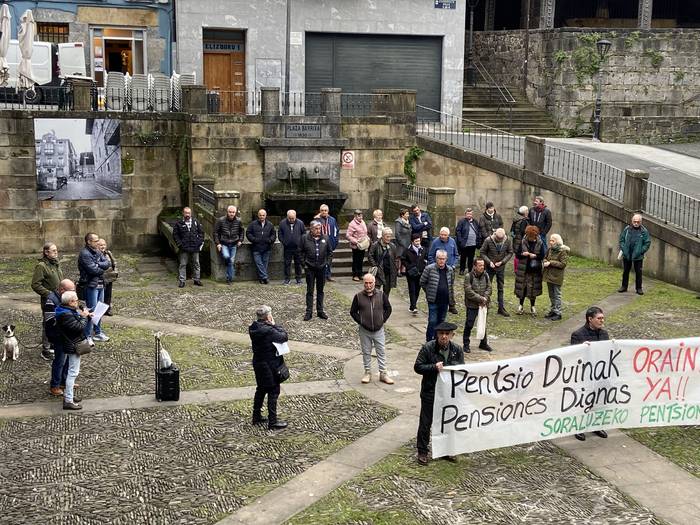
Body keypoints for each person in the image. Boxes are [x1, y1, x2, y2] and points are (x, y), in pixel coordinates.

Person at [414, 321, 465, 465]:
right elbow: (418, 367)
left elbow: (461, 369)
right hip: (430, 391)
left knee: (447, 422)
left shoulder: (457, 350)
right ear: (437, 334)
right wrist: (433, 367)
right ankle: (422, 451)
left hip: (448, 393)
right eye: (441, 334)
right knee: (426, 422)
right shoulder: (428, 348)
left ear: (452, 335)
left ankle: (445, 450)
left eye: (446, 334)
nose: (444, 336)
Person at [570, 306, 610, 441]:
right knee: (583, 402)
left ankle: (596, 425)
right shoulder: (578, 335)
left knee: (598, 401)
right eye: (599, 318)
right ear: (590, 319)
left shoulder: (604, 334)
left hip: (600, 375)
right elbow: (574, 357)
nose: (602, 321)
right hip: (585, 376)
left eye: (602, 318)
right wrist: (583, 349)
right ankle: (579, 427)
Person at [249, 305, 289, 430]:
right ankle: (273, 421)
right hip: (270, 365)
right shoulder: (269, 330)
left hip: (258, 363)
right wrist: (274, 324)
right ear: (268, 316)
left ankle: (256, 416)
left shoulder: (253, 328)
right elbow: (283, 336)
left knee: (260, 389)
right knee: (273, 391)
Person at [350, 273, 394, 385]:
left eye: (370, 283)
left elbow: (388, 308)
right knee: (366, 352)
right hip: (364, 330)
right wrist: (361, 321)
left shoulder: (381, 294)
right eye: (366, 283)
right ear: (363, 283)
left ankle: (383, 373)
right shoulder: (358, 296)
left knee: (381, 351)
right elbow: (353, 312)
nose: (368, 285)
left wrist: (382, 320)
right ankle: (367, 372)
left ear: (374, 283)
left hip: (379, 330)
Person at [55, 290, 92, 410]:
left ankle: (68, 395)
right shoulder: (66, 315)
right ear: (71, 302)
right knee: (73, 373)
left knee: (71, 372)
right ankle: (68, 400)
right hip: (73, 345)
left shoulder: (66, 311)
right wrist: (84, 317)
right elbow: (78, 327)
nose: (77, 302)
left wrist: (82, 316)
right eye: (76, 300)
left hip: (72, 343)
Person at [31, 242, 63, 360]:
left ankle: (53, 344)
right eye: (53, 251)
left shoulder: (56, 264)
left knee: (58, 321)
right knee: (48, 323)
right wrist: (49, 294)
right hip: (48, 300)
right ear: (46, 252)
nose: (56, 252)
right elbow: (35, 284)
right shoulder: (41, 266)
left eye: (56, 250)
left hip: (59, 298)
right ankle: (46, 348)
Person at [44, 279, 75, 397]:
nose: (73, 294)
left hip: (67, 335)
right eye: (70, 291)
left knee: (67, 360)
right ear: (62, 289)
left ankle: (64, 381)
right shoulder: (51, 300)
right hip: (58, 335)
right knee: (59, 361)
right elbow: (49, 320)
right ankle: (55, 385)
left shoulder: (64, 298)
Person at [78, 232, 111, 341]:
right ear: (89, 242)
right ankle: (87, 335)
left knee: (99, 310)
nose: (98, 242)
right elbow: (93, 270)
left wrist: (98, 264)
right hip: (91, 285)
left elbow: (107, 263)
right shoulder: (85, 254)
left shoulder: (97, 251)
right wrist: (100, 267)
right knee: (91, 310)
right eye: (96, 241)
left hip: (101, 283)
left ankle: (98, 332)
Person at [420, 250, 456, 342]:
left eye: (443, 259)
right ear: (436, 259)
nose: (441, 261)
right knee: (432, 321)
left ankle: (438, 341)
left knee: (441, 322)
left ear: (446, 259)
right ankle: (429, 341)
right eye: (439, 259)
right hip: (433, 300)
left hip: (445, 301)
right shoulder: (429, 269)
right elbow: (422, 282)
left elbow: (451, 285)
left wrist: (451, 301)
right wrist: (429, 292)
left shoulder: (450, 270)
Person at [300, 221, 331, 321]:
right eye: (316, 229)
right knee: (310, 290)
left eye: (320, 228)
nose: (318, 231)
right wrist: (304, 264)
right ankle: (309, 312)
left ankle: (320, 311)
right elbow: (300, 252)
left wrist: (327, 263)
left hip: (322, 268)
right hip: (310, 268)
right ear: (311, 229)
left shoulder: (325, 238)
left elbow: (329, 252)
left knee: (320, 290)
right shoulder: (305, 238)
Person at [480, 228, 513, 317]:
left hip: (501, 267)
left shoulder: (508, 240)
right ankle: (486, 305)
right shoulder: (488, 240)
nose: (499, 240)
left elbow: (510, 252)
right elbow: (482, 252)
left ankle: (501, 308)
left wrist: (502, 262)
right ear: (495, 235)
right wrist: (489, 262)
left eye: (501, 239)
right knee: (487, 287)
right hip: (490, 267)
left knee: (501, 288)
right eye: (498, 239)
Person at [463, 258, 493, 353]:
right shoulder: (469, 276)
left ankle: (483, 343)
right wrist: (480, 299)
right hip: (472, 305)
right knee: (469, 324)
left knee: (483, 324)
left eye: (483, 265)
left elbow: (489, 288)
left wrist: (485, 298)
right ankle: (466, 344)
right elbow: (468, 292)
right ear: (474, 266)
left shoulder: (486, 275)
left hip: (483, 305)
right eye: (480, 265)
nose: (482, 267)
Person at [618, 213, 651, 295]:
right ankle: (624, 286)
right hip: (627, 254)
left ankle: (639, 288)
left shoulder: (644, 231)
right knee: (626, 271)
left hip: (638, 256)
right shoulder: (627, 229)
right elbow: (621, 240)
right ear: (632, 221)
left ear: (641, 222)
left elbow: (647, 243)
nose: (636, 223)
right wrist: (624, 248)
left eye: (638, 222)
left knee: (638, 273)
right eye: (634, 221)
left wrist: (641, 251)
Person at [514, 225, 544, 316]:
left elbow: (542, 255)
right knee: (522, 288)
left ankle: (532, 306)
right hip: (524, 269)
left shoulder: (540, 242)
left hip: (534, 270)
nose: (531, 239)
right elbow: (517, 254)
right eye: (530, 237)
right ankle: (521, 305)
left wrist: (535, 256)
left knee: (533, 289)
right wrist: (524, 254)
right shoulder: (523, 241)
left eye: (533, 237)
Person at [173, 207, 205, 288]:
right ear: (183, 213)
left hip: (195, 247)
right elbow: (175, 235)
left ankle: (197, 279)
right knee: (183, 264)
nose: (187, 214)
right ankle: (182, 281)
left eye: (189, 213)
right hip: (184, 248)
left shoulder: (195, 222)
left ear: (191, 213)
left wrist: (199, 242)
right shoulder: (179, 223)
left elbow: (201, 233)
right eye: (186, 213)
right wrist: (179, 244)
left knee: (196, 263)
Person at [543, 233, 569, 321]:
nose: (550, 242)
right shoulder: (550, 249)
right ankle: (553, 310)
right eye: (550, 240)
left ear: (557, 241)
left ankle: (558, 312)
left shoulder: (562, 251)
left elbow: (563, 264)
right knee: (551, 294)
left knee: (557, 295)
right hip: (549, 275)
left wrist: (550, 263)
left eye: (552, 240)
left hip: (557, 276)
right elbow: (545, 257)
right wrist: (545, 261)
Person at [246, 209, 276, 284]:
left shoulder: (270, 224)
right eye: (260, 215)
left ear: (266, 216)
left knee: (264, 264)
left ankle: (262, 279)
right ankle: (265, 277)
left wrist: (270, 240)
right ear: (258, 215)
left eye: (263, 215)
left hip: (267, 247)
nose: (262, 217)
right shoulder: (253, 224)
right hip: (256, 247)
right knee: (259, 264)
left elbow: (274, 234)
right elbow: (248, 233)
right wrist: (254, 239)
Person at [214, 205, 243, 284]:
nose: (232, 214)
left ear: (235, 212)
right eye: (230, 212)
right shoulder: (220, 220)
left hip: (234, 243)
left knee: (231, 261)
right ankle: (228, 267)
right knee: (227, 257)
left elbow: (241, 231)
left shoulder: (238, 221)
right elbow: (216, 233)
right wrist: (218, 243)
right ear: (227, 212)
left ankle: (229, 279)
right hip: (224, 243)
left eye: (233, 212)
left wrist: (240, 240)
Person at [367, 228, 400, 297]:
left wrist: (396, 267)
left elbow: (396, 258)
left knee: (386, 292)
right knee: (375, 292)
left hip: (389, 272)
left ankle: (385, 305)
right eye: (387, 236)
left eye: (390, 236)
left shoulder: (392, 246)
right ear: (382, 236)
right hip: (378, 272)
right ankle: (375, 305)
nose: (389, 238)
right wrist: (374, 265)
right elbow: (370, 255)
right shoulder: (375, 245)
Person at [277, 209, 306, 285]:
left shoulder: (300, 223)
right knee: (287, 264)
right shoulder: (282, 223)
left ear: (295, 216)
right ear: (287, 217)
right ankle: (287, 279)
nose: (291, 220)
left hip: (298, 248)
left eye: (293, 218)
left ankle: (298, 279)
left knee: (298, 264)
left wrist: (301, 243)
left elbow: (304, 233)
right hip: (287, 248)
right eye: (290, 218)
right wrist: (283, 242)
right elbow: (280, 233)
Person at [402, 233, 427, 313]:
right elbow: (403, 259)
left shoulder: (423, 249)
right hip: (411, 273)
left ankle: (413, 305)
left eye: (419, 241)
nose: (418, 242)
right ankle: (413, 306)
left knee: (417, 290)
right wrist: (409, 267)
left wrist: (424, 264)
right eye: (416, 241)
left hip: (420, 273)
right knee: (412, 289)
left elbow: (426, 258)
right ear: (412, 242)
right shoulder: (407, 250)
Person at [314, 204, 339, 282]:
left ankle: (328, 275)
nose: (324, 212)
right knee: (321, 260)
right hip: (321, 243)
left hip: (330, 243)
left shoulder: (332, 219)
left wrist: (336, 241)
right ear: (320, 211)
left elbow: (336, 231)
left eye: (325, 210)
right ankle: (322, 276)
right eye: (322, 210)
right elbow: (314, 232)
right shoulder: (317, 220)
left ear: (328, 211)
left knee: (329, 260)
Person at [455, 208, 481, 276]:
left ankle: (470, 270)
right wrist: (460, 240)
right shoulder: (462, 221)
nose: (469, 215)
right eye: (468, 214)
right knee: (463, 257)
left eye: (470, 214)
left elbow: (478, 230)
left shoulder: (475, 221)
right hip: (464, 243)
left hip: (473, 244)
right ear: (465, 214)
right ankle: (462, 270)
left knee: (471, 258)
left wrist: (478, 240)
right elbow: (458, 231)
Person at [346, 209, 369, 282]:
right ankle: (355, 275)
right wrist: (356, 241)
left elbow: (365, 232)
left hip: (363, 245)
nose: (361, 217)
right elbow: (348, 235)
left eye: (361, 216)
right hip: (356, 246)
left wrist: (367, 238)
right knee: (356, 260)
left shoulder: (363, 222)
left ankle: (360, 274)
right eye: (359, 216)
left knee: (361, 260)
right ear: (355, 216)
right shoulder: (352, 224)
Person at [97, 239, 116, 316]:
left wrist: (115, 272)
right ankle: (100, 310)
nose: (103, 246)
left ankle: (107, 309)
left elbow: (113, 262)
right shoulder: (96, 254)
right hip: (101, 278)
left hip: (109, 277)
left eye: (104, 245)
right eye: (101, 245)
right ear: (97, 246)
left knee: (108, 294)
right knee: (101, 295)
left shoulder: (108, 253)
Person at [510, 205, 530, 274]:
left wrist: (515, 236)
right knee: (520, 255)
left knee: (516, 255)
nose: (528, 212)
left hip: (516, 240)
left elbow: (511, 231)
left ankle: (516, 269)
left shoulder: (516, 219)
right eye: (527, 211)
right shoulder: (524, 221)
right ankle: (518, 269)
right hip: (521, 241)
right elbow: (523, 231)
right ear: (524, 212)